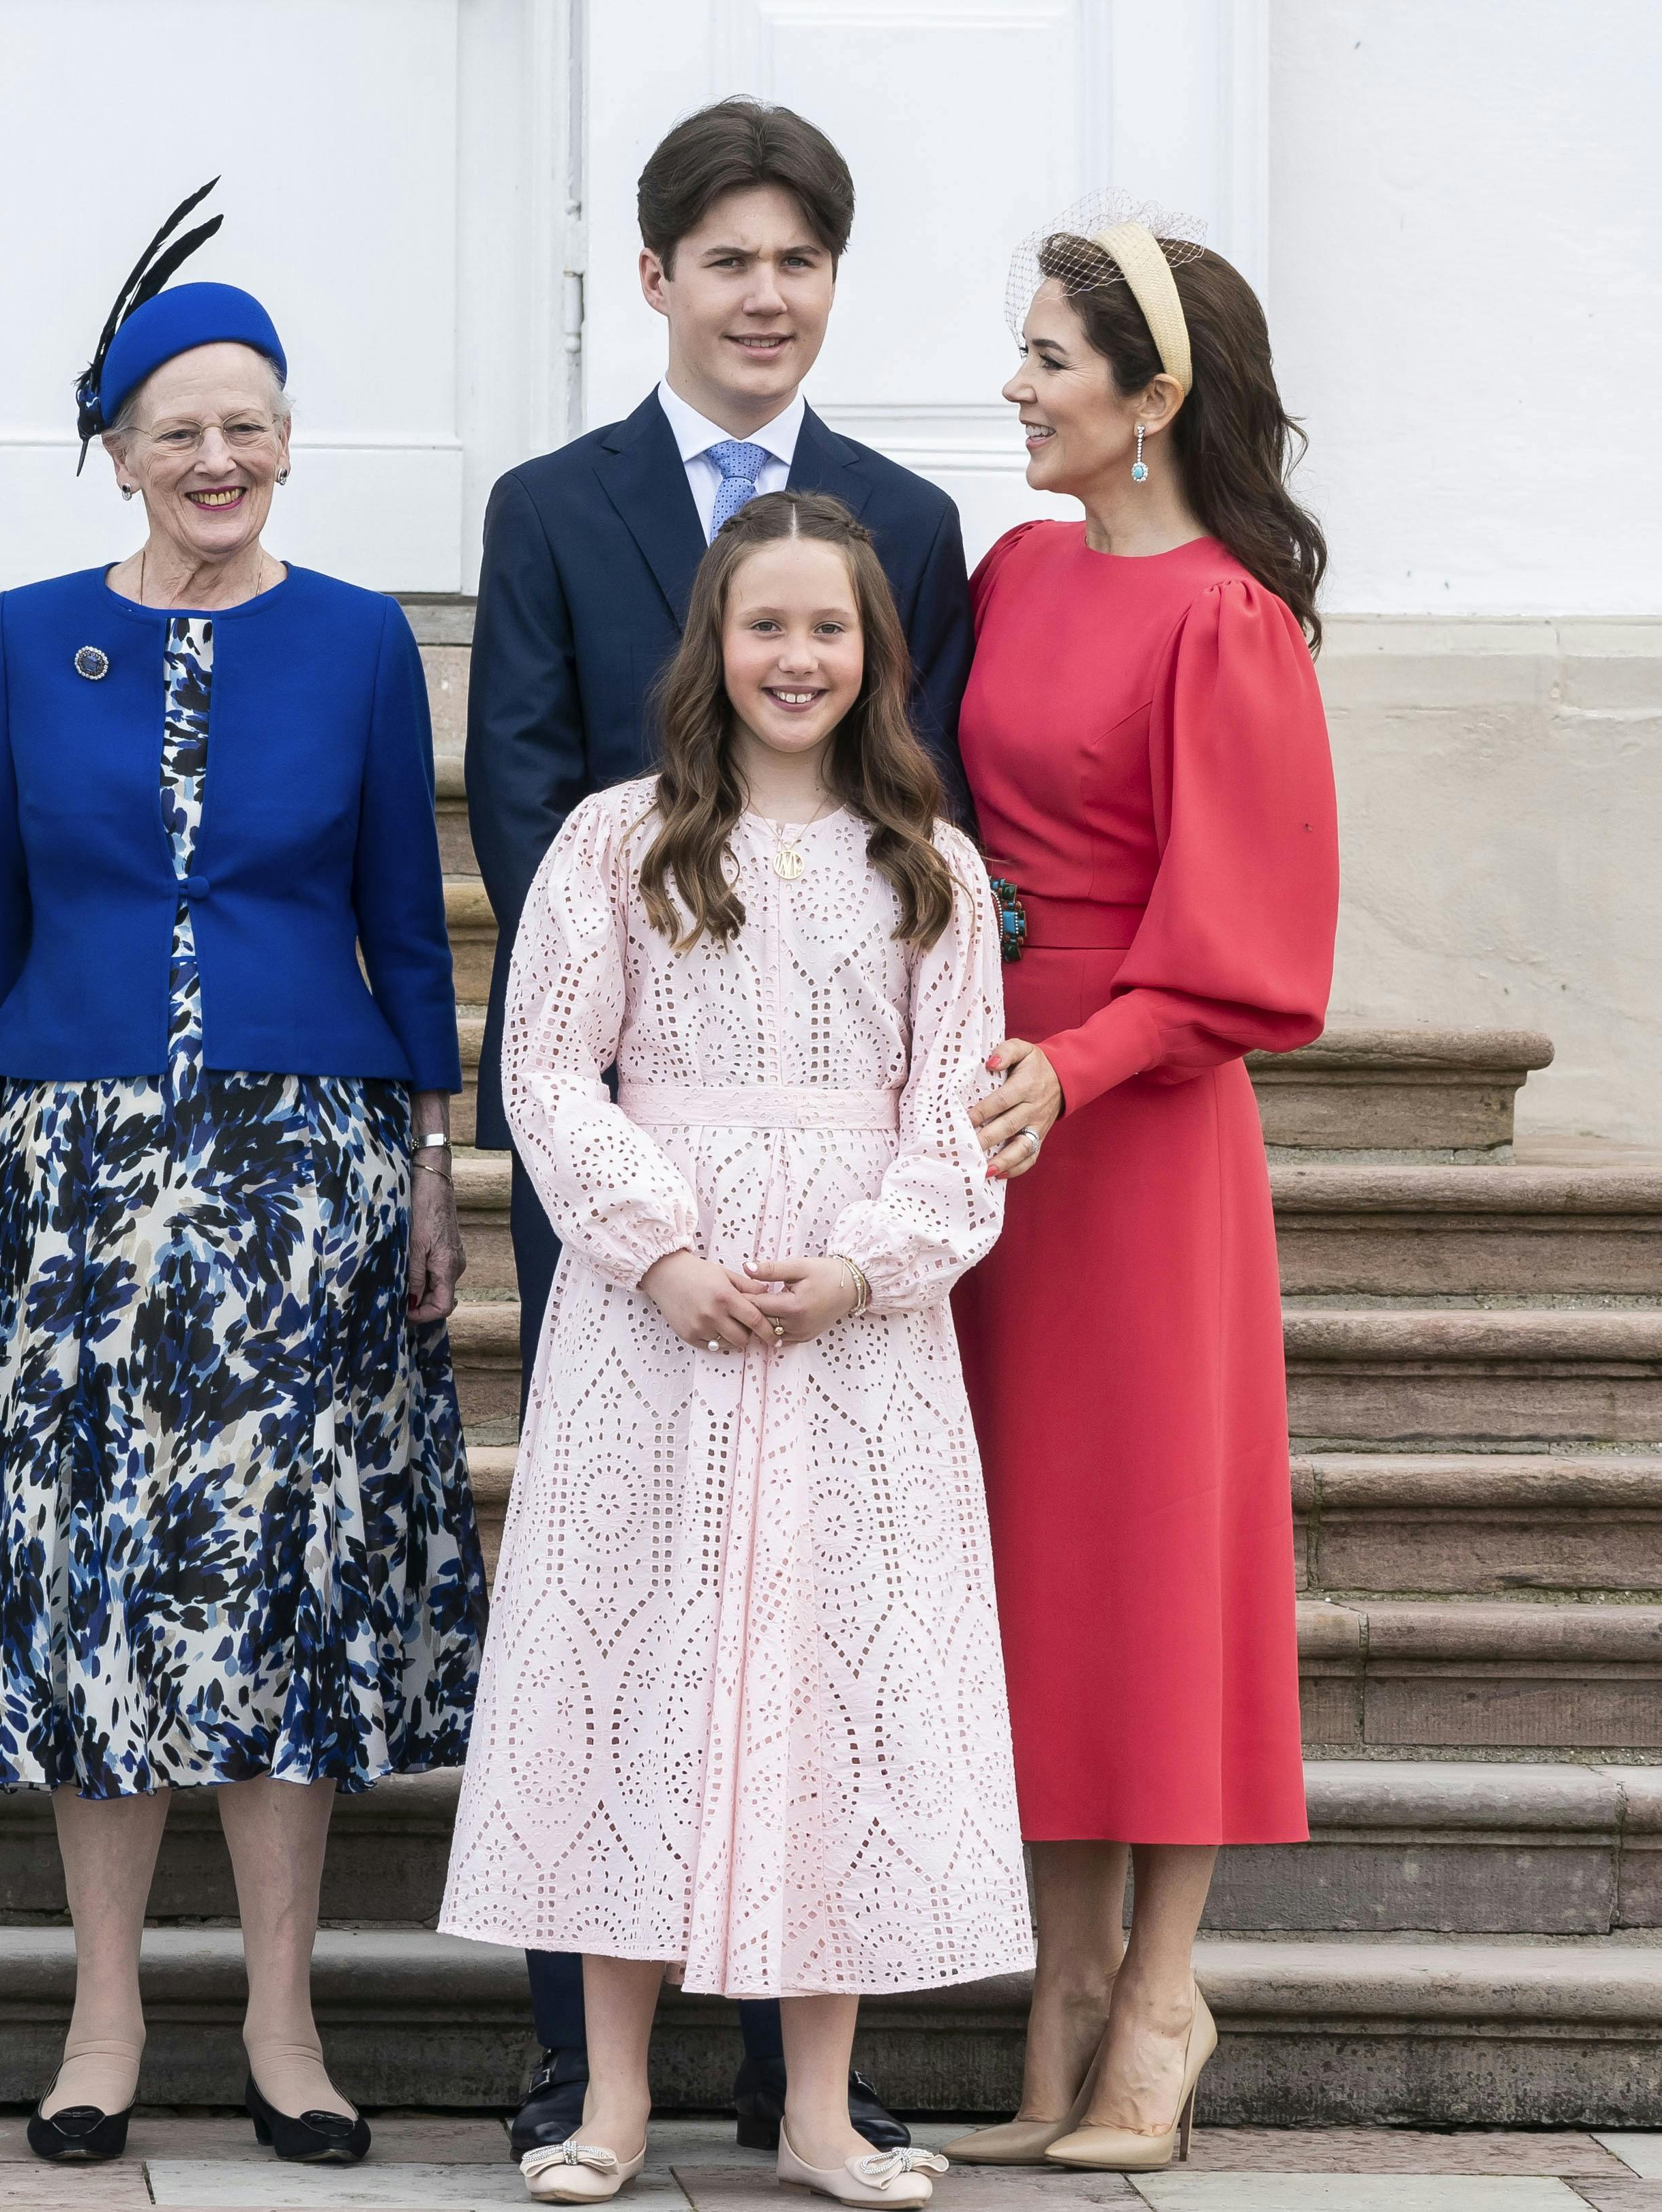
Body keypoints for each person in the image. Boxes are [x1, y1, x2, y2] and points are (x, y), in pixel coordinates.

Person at [0, 190, 481, 2170]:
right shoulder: (28, 636)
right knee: (95, 1596)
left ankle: (283, 2015)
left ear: (290, 436)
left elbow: (406, 927)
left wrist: (435, 1164)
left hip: (299, 1167)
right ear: (116, 443)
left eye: (251, 422)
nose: (220, 459)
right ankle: (100, 2015)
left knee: (283, 1595)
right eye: (180, 428)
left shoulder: (355, 642)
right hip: (76, 1165)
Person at [464, 95, 972, 2157]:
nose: (766, 294)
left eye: (800, 260)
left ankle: (804, 2078)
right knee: (625, 1616)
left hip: (845, 1221)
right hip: (634, 1153)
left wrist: (866, 1217)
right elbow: (517, 793)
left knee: (817, 1640)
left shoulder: (909, 518)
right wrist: (644, 1199)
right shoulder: (553, 502)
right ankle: (579, 2066)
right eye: (729, 258)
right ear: (657, 274)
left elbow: (948, 839)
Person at [942, 199, 1337, 2176]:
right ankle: (1062, 1983)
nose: (1012, 387)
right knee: (1033, 1565)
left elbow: (1259, 954)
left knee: (1160, 1563)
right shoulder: (1014, 570)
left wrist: (1073, 1065)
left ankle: (1162, 1997)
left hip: (1139, 1127)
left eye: (1047, 361)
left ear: (1154, 400)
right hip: (986, 1114)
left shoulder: (1227, 621)